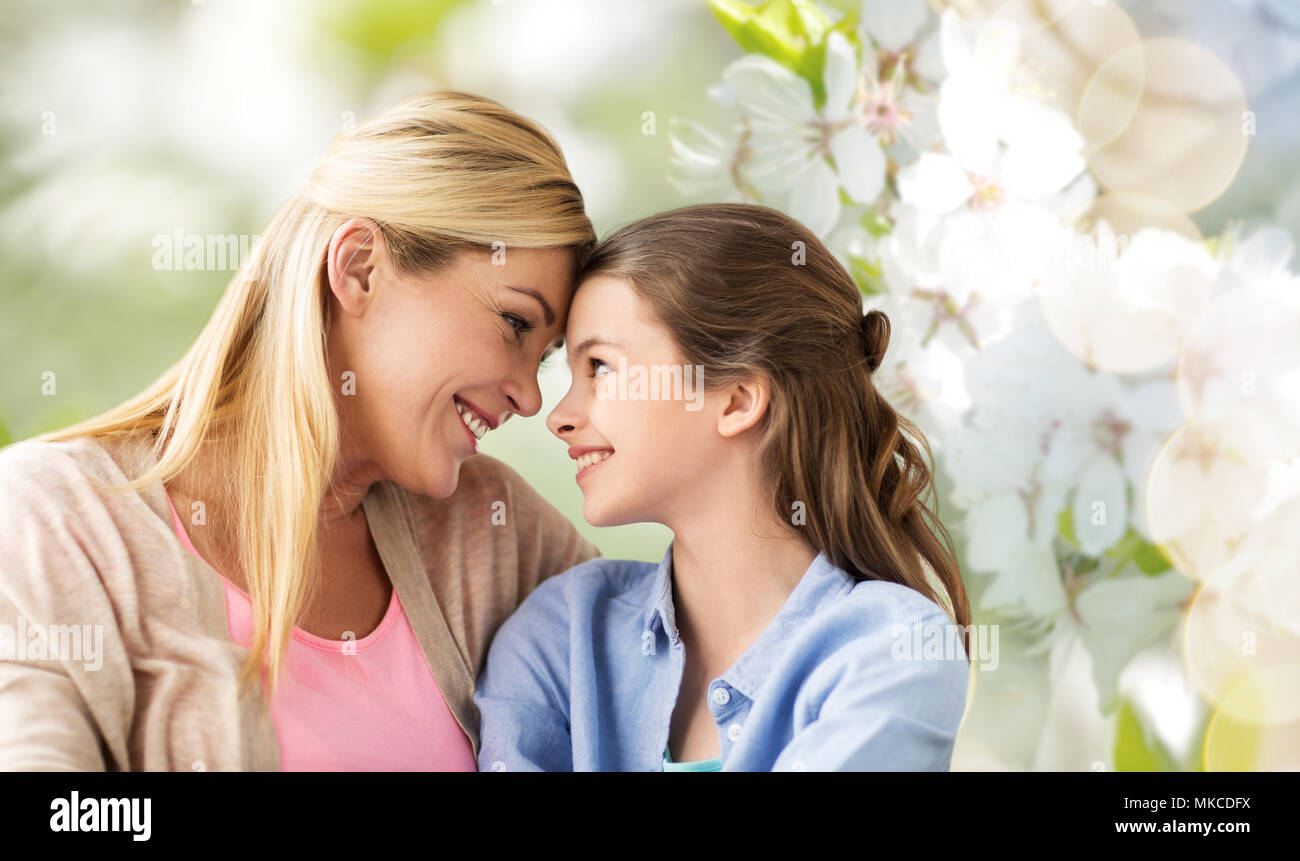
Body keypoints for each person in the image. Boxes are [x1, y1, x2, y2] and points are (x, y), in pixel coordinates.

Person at [0, 91, 601, 771]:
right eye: (517, 324)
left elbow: (703, 667)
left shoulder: (498, 533)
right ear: (358, 268)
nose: (529, 395)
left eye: (545, 356)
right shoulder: (55, 517)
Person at [474, 203, 973, 771]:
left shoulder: (890, 649)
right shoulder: (561, 633)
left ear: (737, 399)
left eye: (601, 368)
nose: (557, 416)